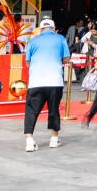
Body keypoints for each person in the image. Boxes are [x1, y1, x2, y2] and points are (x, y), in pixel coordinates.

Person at [23, 18, 70, 152]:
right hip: (55, 81)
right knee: (54, 109)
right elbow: (66, 58)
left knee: (31, 110)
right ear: (54, 29)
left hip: (36, 82)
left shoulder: (33, 41)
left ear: (41, 29)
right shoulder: (60, 39)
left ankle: (29, 140)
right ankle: (54, 139)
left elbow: (28, 61)